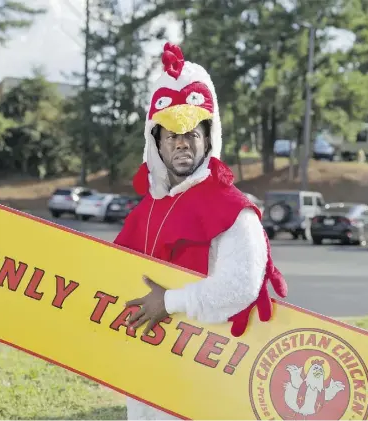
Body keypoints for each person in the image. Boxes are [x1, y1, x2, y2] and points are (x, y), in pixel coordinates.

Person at [113, 42, 288, 420]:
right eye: (171, 133)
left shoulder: (233, 209)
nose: (182, 141)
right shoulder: (144, 210)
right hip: (146, 375)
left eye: (192, 131)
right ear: (155, 142)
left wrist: (169, 303)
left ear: (208, 138)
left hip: (206, 376)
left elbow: (238, 287)